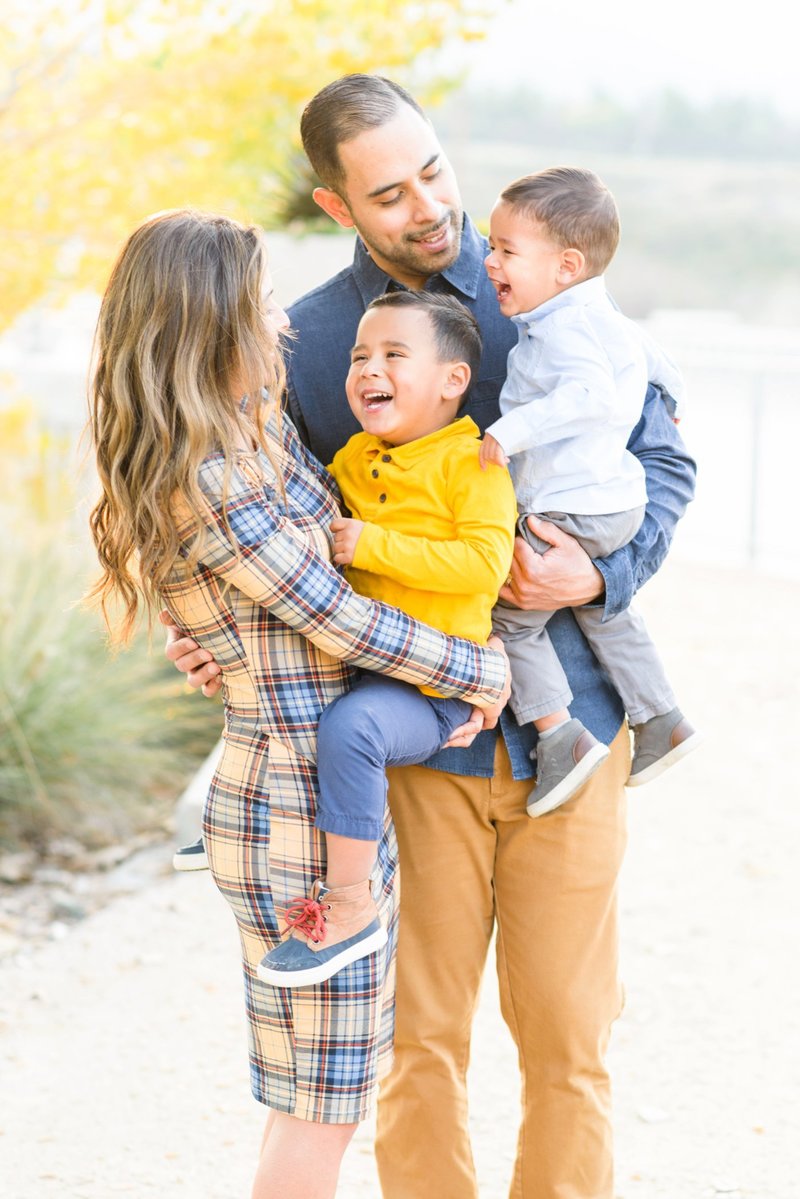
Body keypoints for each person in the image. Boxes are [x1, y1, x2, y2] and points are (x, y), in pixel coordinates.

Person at [166, 75, 697, 1199]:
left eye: (433, 172)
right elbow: (266, 522)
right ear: (335, 203)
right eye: (388, 192)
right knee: (418, 1044)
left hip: (577, 725)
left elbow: (663, 465)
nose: (426, 206)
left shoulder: (548, 283)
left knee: (568, 1046)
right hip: (421, 744)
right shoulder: (306, 349)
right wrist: (204, 630)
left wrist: (598, 568)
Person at [86, 207, 510, 1199]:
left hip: (305, 789)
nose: (278, 322)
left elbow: (333, 550)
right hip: (290, 808)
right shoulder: (209, 477)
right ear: (211, 320)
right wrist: (473, 666)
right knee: (321, 1105)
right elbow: (336, 619)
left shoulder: (251, 431)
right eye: (260, 300)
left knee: (313, 1093)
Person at [258, 289, 516, 987]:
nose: (368, 368)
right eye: (358, 356)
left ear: (451, 380)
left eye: (394, 355)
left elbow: (484, 567)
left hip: (436, 688)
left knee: (353, 730)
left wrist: (373, 545)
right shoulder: (355, 456)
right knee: (280, 698)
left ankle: (349, 904)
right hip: (372, 666)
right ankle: (238, 820)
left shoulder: (476, 465)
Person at [482, 166, 700, 817]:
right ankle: (660, 717)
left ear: (566, 265)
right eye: (491, 246)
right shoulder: (602, 313)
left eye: (506, 252)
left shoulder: (563, 329)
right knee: (602, 607)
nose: (490, 262)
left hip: (569, 501)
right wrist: (675, 399)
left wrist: (509, 430)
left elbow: (591, 395)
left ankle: (559, 737)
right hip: (615, 503)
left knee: (512, 617)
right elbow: (658, 363)